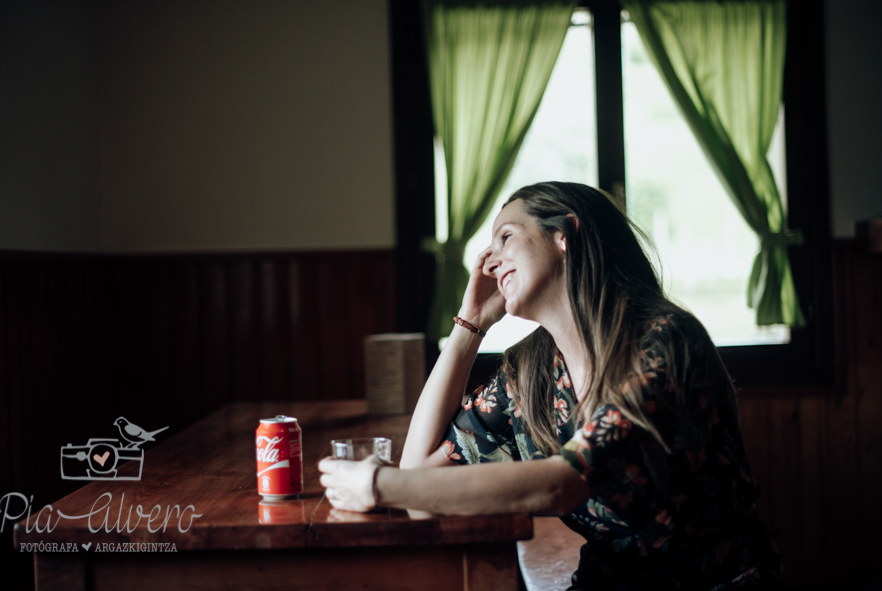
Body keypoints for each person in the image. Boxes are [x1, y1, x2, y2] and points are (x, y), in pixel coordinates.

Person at [319, 182, 782, 590]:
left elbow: (565, 482)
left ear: (565, 235)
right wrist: (470, 326)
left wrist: (378, 485)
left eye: (506, 237)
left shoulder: (664, 341)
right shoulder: (530, 373)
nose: (489, 261)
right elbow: (419, 472)